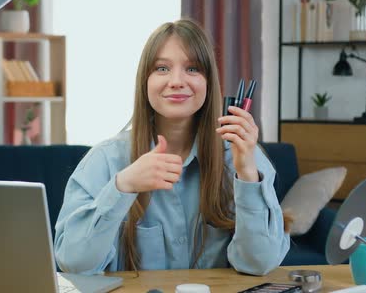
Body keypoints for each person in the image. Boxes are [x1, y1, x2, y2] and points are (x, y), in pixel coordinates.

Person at [54, 18, 291, 276]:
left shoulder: (241, 155)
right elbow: (73, 264)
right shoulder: (106, 160)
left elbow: (259, 264)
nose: (177, 81)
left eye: (192, 69)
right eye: (162, 68)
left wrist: (246, 173)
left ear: (209, 82)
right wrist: (123, 187)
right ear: (145, 81)